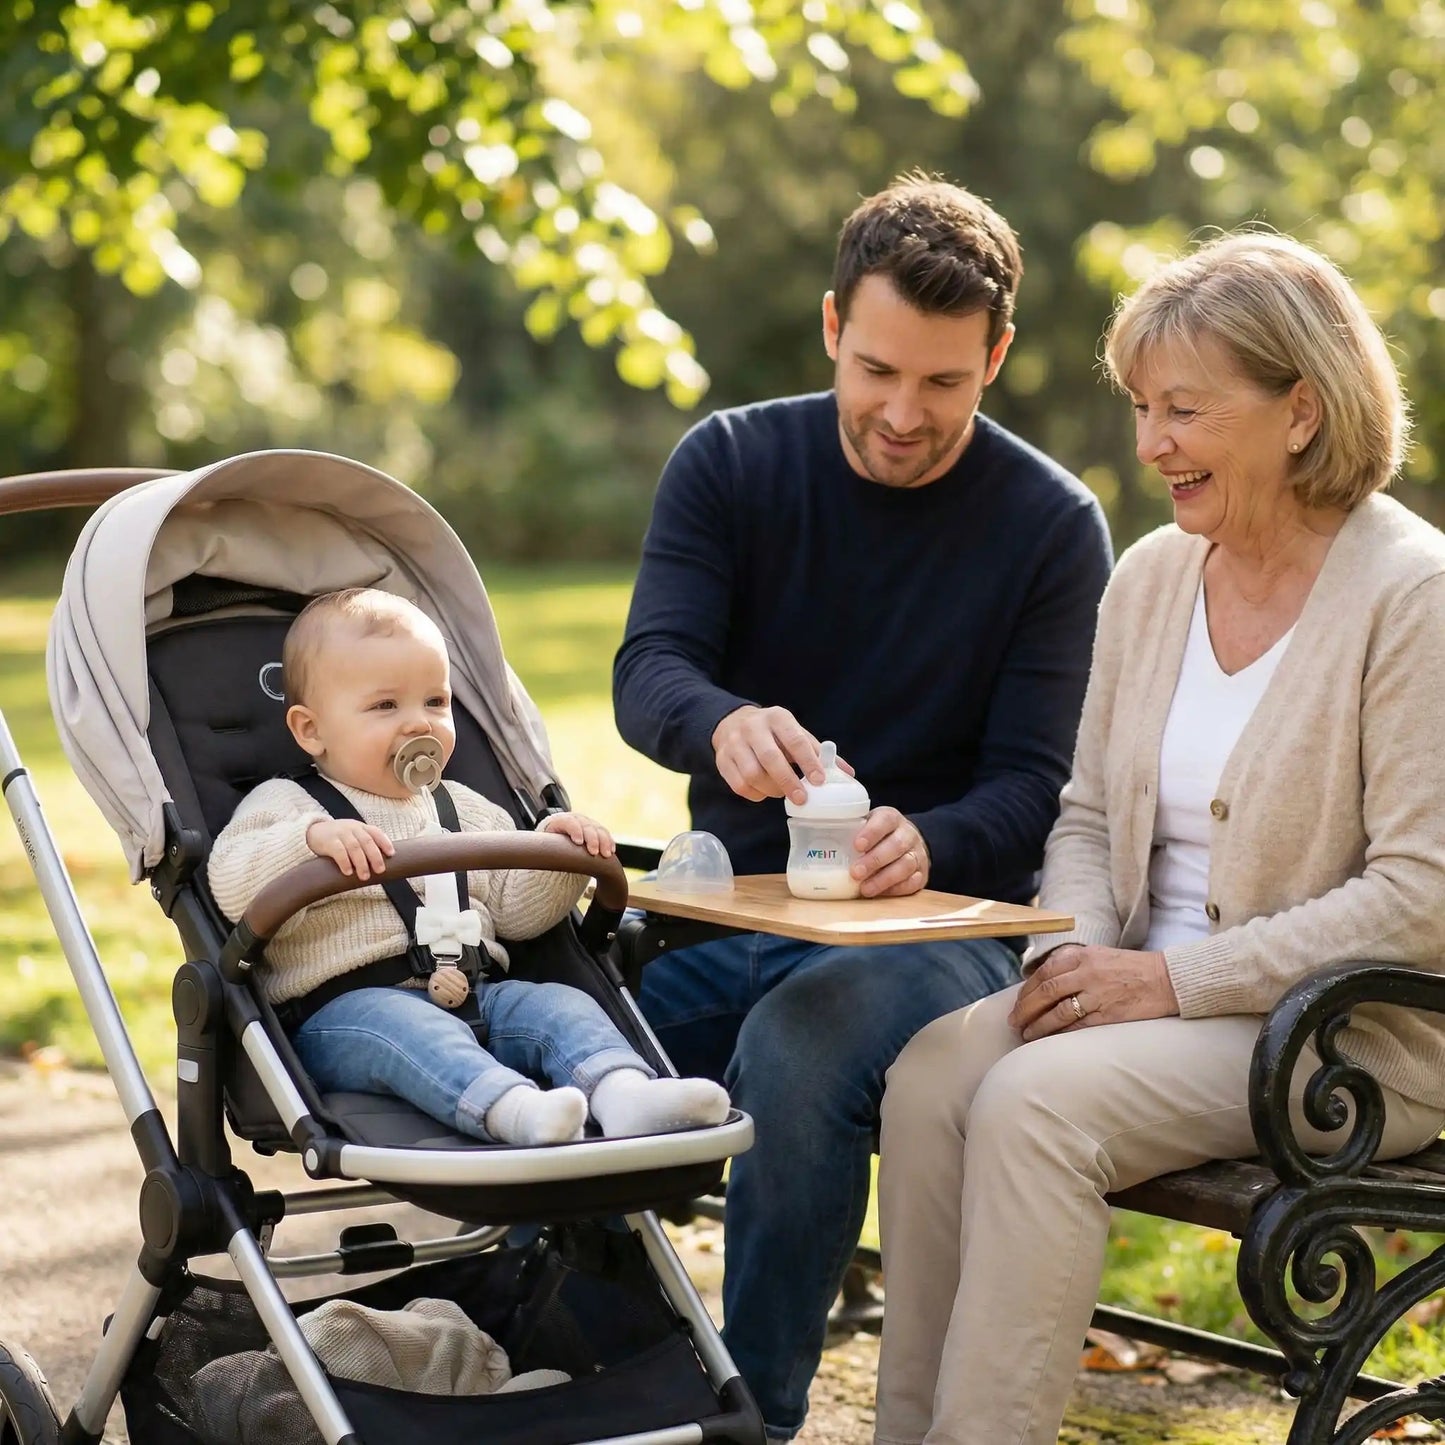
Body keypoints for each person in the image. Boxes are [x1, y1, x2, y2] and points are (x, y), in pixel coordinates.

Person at [874, 230, 1445, 1445]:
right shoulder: (1149, 576)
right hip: (1138, 996)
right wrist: (1067, 961)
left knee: (1033, 1104)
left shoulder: (1411, 595)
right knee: (930, 1076)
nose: (1147, 445)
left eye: (1181, 410)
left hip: (1338, 1038)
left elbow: (1418, 895)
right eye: (1139, 407)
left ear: (1299, 410)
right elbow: (1084, 814)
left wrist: (1170, 979)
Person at [612, 173, 1113, 1437]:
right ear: (833, 326)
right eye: (878, 368)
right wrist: (715, 719)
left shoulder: (1051, 527)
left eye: (943, 383)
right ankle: (587, 1372)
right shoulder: (729, 461)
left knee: (805, 1043)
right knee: (580, 1036)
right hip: (737, 911)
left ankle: (753, 1416)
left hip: (940, 934)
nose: (902, 414)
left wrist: (928, 837)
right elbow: (647, 667)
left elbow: (1037, 782)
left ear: (994, 357)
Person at [208, 588, 730, 1146]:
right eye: (385, 706)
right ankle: (512, 1110)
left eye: (435, 703)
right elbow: (231, 882)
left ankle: (625, 1093)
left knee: (560, 1003)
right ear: (311, 730)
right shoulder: (290, 806)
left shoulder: (466, 808)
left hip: (481, 992)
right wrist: (309, 843)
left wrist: (559, 857)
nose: (418, 725)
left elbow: (517, 913)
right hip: (347, 1014)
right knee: (409, 1027)